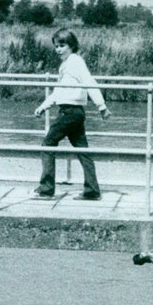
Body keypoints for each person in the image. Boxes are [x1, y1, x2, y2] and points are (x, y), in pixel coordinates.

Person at [33, 29, 111, 200]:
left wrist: (101, 106)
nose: (58, 49)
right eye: (56, 46)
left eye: (62, 46)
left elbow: (89, 81)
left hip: (70, 112)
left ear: (72, 46)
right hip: (73, 112)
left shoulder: (75, 62)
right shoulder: (67, 64)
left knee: (47, 144)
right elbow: (59, 91)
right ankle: (92, 191)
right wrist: (43, 106)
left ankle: (46, 188)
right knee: (83, 151)